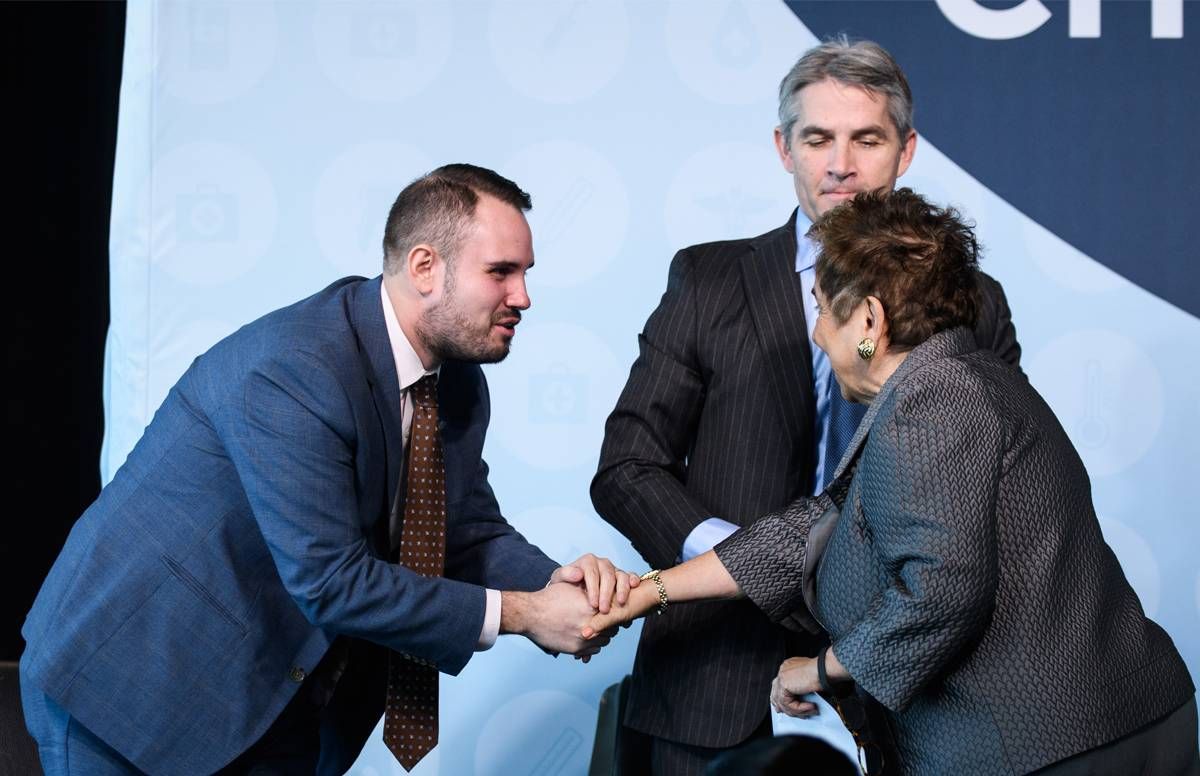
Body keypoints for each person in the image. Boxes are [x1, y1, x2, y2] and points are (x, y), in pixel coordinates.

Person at [20, 164, 637, 775]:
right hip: (133, 686)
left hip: (280, 696)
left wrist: (558, 584)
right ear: (425, 267)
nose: (523, 297)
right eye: (501, 272)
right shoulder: (295, 368)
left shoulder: (458, 382)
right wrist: (524, 614)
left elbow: (464, 527)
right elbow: (329, 581)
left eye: (526, 273)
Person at [586, 189, 1198, 775]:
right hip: (1115, 723)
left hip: (1052, 748)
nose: (818, 330)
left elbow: (942, 589)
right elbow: (812, 528)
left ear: (870, 319)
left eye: (824, 307)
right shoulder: (953, 378)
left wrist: (819, 670)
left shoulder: (929, 402)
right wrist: (648, 591)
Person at [590, 36, 1020, 775]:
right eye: (817, 138)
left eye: (867, 139)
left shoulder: (973, 304)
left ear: (907, 150)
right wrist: (742, 563)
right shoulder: (708, 278)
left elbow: (999, 498)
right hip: (716, 677)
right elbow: (628, 466)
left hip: (915, 688)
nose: (841, 164)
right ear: (783, 148)